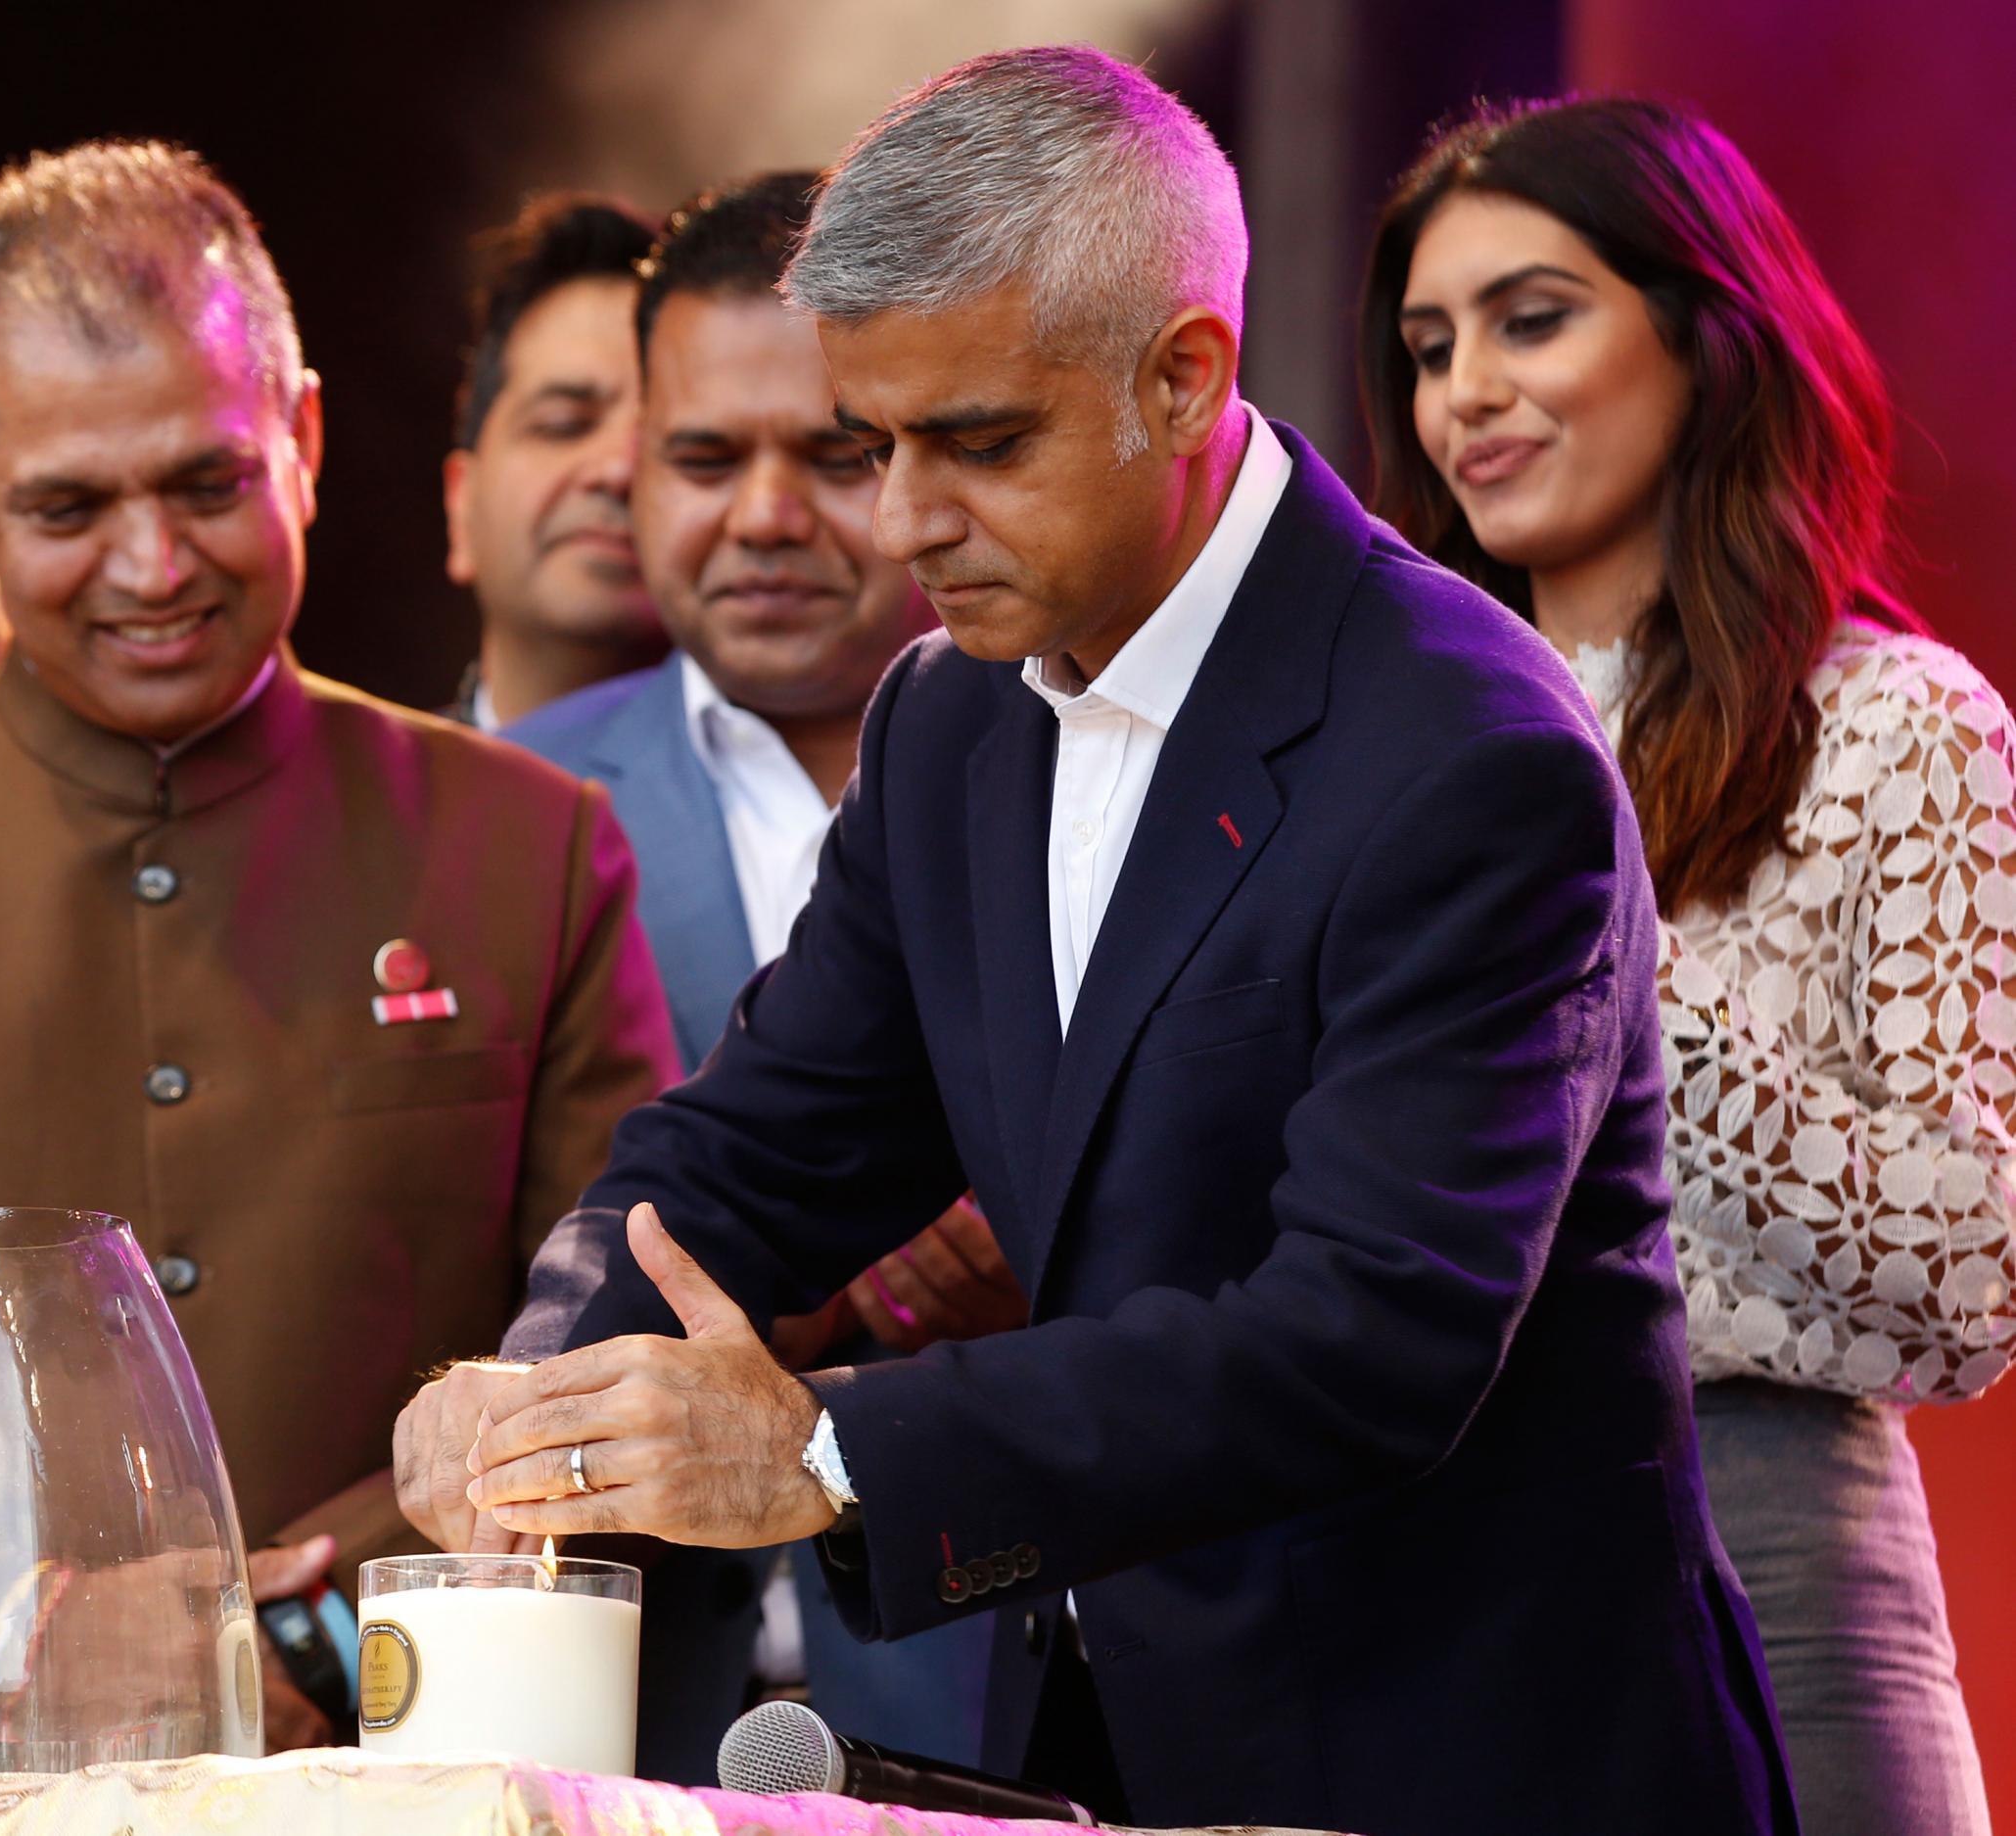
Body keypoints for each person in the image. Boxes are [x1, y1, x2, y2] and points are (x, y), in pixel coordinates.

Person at [396, 47, 1794, 1836]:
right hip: (1117, 1767)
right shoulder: (945, 723)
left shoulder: (1471, 753)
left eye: (975, 442)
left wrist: (821, 1452)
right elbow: (758, 1140)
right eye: (873, 443)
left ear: (1183, 375)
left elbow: (1366, 1342)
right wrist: (535, 1379)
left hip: (1476, 1765)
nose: (902, 522)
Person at [0, 140, 677, 1752]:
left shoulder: (529, 843)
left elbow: (620, 1349)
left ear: (300, 436)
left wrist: (302, 1627)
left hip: (407, 1766)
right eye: (70, 507)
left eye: (206, 483)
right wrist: (5, 1633)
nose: (153, 566)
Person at [1358, 94, 2012, 1836]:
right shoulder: (1363, 756)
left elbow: (1968, 1281)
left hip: (1766, 1557)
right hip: (1394, 1575)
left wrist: (1598, 954)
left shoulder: (1896, 729)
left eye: (1532, 317)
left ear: (1710, 334)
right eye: (1430, 348)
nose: (1464, 394)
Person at [506, 172, 1004, 1780]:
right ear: (631, 470)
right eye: (708, 459)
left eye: (835, 455)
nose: (769, 515)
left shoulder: (1080, 778)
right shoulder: (494, 816)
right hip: (614, 1712)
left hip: (1028, 1685)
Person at [442, 194, 669, 730]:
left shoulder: (830, 810)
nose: (617, 469)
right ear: (460, 505)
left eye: (670, 440)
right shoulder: (360, 807)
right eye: (564, 424)